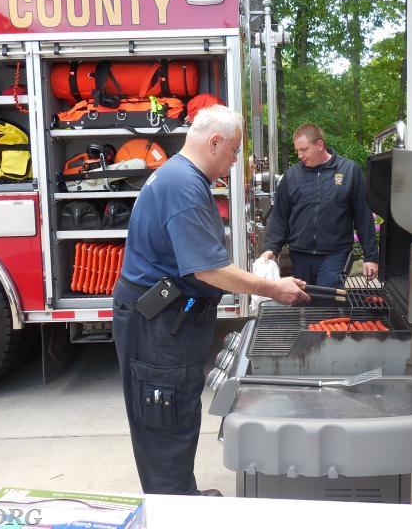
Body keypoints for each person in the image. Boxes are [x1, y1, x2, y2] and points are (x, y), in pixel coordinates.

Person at [112, 105, 310, 497]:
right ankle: (174, 509)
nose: (236, 161)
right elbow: (207, 269)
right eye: (234, 151)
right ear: (214, 142)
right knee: (164, 418)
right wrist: (272, 288)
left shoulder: (178, 176)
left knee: (175, 416)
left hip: (163, 317)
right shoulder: (183, 185)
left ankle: (181, 497)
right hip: (158, 325)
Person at [260, 123, 379, 287]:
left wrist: (371, 257)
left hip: (335, 254)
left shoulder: (349, 171)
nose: (299, 155)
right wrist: (271, 248)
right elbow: (280, 217)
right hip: (300, 255)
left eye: (304, 149)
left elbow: (363, 217)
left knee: (326, 302)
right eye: (297, 151)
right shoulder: (291, 176)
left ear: (320, 145)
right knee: (304, 304)